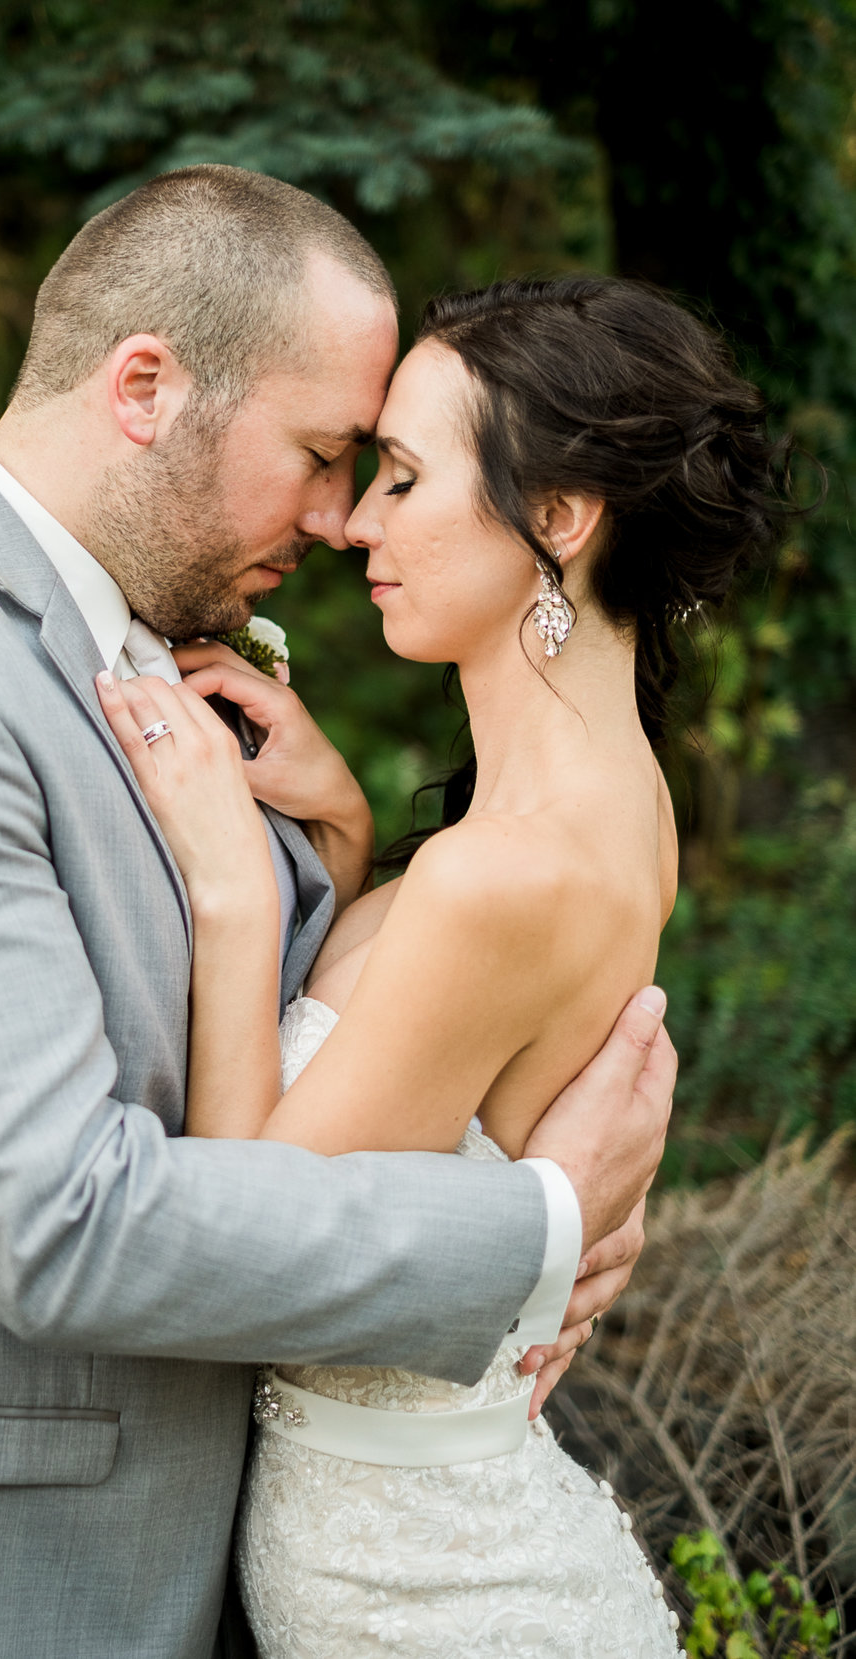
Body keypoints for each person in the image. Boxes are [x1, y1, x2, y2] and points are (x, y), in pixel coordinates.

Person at [0, 166, 676, 1658]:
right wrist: (530, 1224)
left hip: (220, 1563)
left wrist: (329, 851)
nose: (339, 519)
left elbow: (323, 1061)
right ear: (146, 387)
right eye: (326, 455)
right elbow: (61, 1221)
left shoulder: (170, 641)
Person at [96, 273, 784, 1656]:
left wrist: (238, 886)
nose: (353, 520)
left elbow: (260, 1243)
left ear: (561, 517)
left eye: (403, 478)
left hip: (436, 1603)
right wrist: (345, 824)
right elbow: (435, 1082)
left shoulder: (503, 870)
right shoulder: (606, 801)